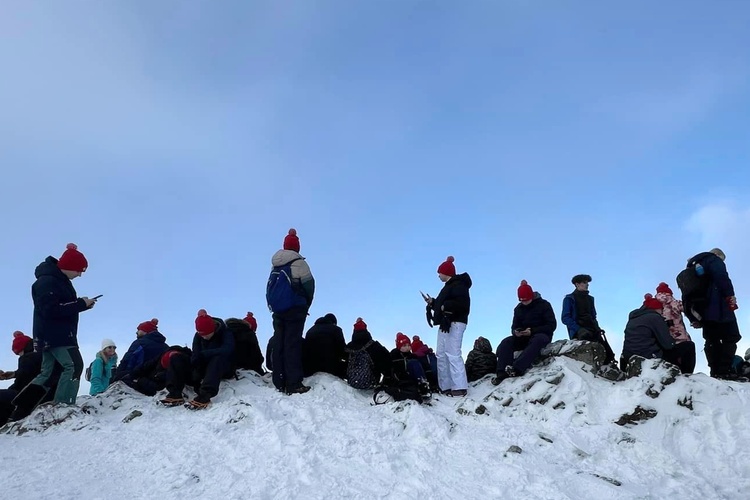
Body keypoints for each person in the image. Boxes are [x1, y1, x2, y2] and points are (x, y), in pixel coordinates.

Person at [12, 243, 97, 416]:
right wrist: (80, 304)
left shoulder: (53, 279)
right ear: (70, 267)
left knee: (48, 373)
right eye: (79, 270)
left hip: (49, 335)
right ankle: (63, 407)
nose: (80, 274)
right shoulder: (48, 281)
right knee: (74, 366)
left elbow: (57, 306)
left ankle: (20, 409)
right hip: (58, 335)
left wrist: (82, 305)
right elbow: (51, 310)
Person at [268, 228, 315, 395]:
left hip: (278, 310)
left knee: (279, 342)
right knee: (292, 344)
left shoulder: (275, 264)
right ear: (297, 246)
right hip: (295, 309)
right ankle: (294, 383)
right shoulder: (299, 263)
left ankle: (279, 380)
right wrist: (306, 304)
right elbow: (309, 286)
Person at [682, 248, 742, 379]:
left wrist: (693, 317)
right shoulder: (713, 259)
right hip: (720, 308)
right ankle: (724, 370)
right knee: (732, 336)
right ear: (718, 255)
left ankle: (715, 370)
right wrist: (729, 296)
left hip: (703, 311)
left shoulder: (692, 268)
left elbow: (686, 297)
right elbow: (722, 277)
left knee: (711, 339)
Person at [423, 256, 471, 397]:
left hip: (455, 323)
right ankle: (445, 386)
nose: (438, 275)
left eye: (440, 272)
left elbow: (463, 304)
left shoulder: (459, 285)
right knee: (442, 354)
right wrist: (433, 302)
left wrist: (445, 306)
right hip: (445, 323)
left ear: (446, 272)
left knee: (453, 353)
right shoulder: (449, 287)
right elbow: (444, 304)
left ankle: (460, 387)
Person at [492, 281, 557, 385]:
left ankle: (517, 369)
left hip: (541, 334)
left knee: (538, 340)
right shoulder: (518, 309)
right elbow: (514, 326)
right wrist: (516, 332)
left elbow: (551, 325)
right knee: (506, 342)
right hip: (523, 336)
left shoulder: (544, 305)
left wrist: (532, 331)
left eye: (526, 300)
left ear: (531, 296)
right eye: (522, 300)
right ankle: (501, 372)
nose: (524, 302)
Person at [620, 294, 693, 374]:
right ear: (657, 308)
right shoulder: (655, 318)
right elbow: (668, 345)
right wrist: (667, 331)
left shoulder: (633, 319)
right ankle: (686, 375)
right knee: (689, 346)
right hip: (649, 358)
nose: (662, 312)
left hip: (629, 358)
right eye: (662, 309)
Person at [186, 309, 235, 409]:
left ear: (213, 329)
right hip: (206, 367)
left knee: (217, 358)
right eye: (201, 335)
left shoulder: (225, 332)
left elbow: (228, 349)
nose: (204, 337)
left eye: (206, 334)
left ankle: (205, 395)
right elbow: (196, 352)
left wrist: (205, 354)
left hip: (224, 367)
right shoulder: (198, 336)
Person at [561, 274, 616, 364]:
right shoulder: (569, 299)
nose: (587, 284)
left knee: (608, 354)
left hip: (593, 329)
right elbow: (565, 318)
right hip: (579, 332)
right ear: (577, 284)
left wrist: (597, 328)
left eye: (587, 282)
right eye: (584, 282)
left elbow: (593, 316)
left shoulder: (590, 299)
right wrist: (578, 329)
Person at [654, 282, 696, 374]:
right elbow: (687, 308)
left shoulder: (655, 305)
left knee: (673, 360)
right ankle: (688, 375)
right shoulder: (674, 302)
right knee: (689, 349)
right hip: (680, 336)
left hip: (664, 341)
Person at [114, 318, 169, 385]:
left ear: (146, 331)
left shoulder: (140, 343)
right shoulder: (166, 347)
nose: (136, 332)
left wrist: (118, 375)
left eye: (139, 329)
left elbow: (128, 360)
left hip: (138, 379)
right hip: (158, 382)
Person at [0, 332, 39, 425]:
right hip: (34, 393)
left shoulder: (27, 358)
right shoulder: (38, 355)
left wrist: (13, 385)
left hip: (26, 395)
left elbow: (22, 381)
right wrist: (14, 374)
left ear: (22, 348)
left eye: (18, 353)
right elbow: (29, 373)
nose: (19, 355)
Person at [344, 318, 391, 390]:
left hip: (352, 382)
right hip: (370, 382)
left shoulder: (349, 347)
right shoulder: (373, 345)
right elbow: (387, 359)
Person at [302, 313, 346, 378]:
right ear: (333, 322)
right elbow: (342, 349)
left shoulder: (310, 330)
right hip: (330, 367)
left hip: (311, 368)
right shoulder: (336, 329)